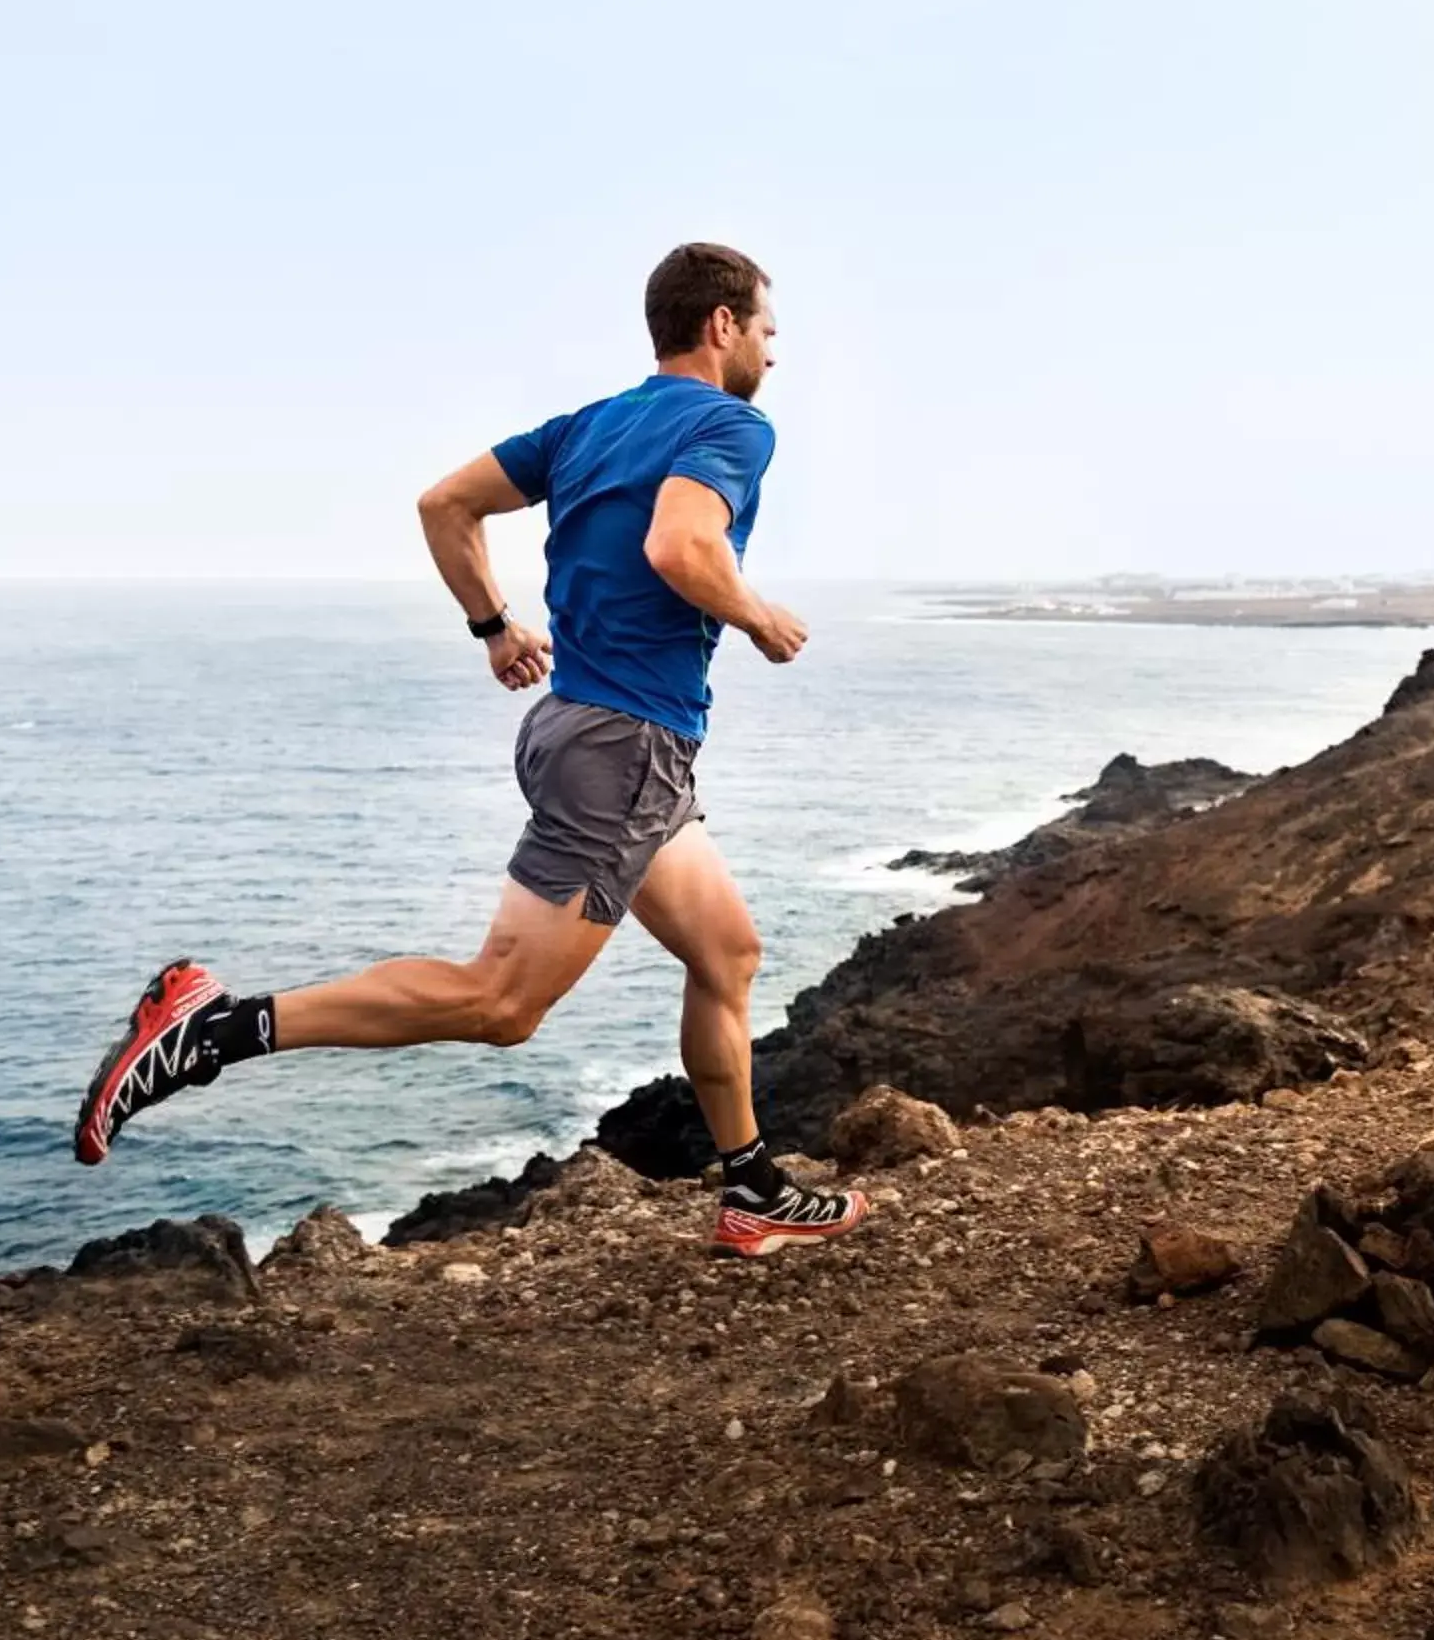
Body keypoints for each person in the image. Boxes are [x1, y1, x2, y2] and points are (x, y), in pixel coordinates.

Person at [72, 242, 867, 1257]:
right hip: (621, 748)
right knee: (500, 1001)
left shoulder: (589, 426)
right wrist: (758, 616)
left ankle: (750, 1185)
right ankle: (209, 1028)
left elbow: (444, 503)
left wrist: (496, 626)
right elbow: (681, 547)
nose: (771, 350)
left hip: (587, 731)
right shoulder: (730, 423)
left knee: (728, 951)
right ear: (721, 324)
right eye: (765, 327)